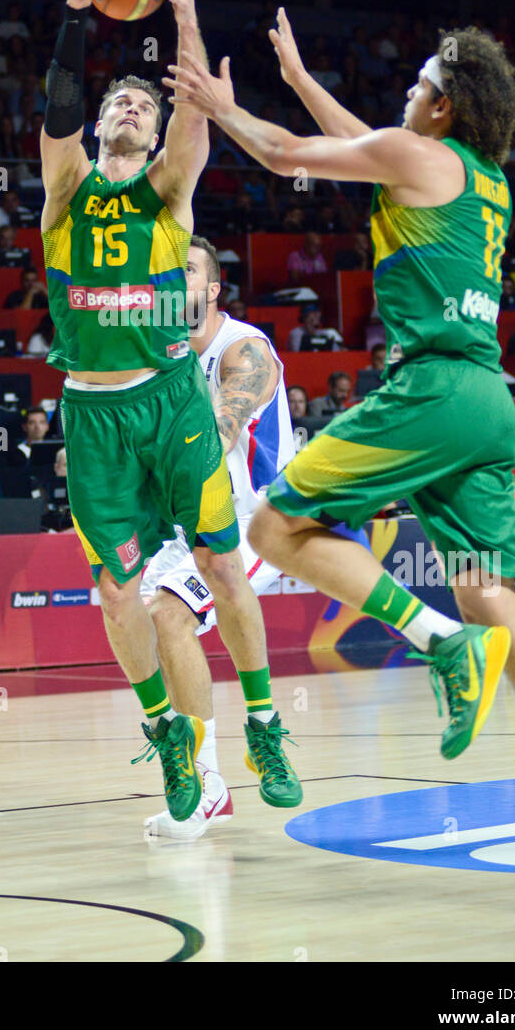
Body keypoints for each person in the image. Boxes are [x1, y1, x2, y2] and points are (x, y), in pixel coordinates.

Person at [165, 12, 515, 915]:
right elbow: (366, 146)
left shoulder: (419, 156)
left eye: (416, 84)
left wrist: (225, 108)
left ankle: (441, 647)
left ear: (443, 104)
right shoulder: (476, 177)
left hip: (433, 392)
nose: (405, 95)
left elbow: (290, 154)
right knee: (494, 593)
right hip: (491, 402)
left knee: (273, 524)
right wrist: (298, 77)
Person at [41, 0, 299, 823]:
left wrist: (187, 18)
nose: (127, 109)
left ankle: (263, 722)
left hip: (171, 400)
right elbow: (59, 108)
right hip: (95, 415)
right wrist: (78, 21)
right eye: (118, 102)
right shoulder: (67, 190)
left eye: (139, 108)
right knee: (118, 592)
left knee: (224, 565)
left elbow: (193, 111)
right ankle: (169, 741)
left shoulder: (168, 194)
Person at [141, 237, 366, 839]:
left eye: (185, 270)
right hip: (184, 523)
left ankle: (259, 734)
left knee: (168, 614)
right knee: (159, 623)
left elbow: (221, 427)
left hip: (256, 522)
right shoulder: (155, 355)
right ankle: (208, 781)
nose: (172, 278)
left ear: (212, 289)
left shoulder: (244, 349)